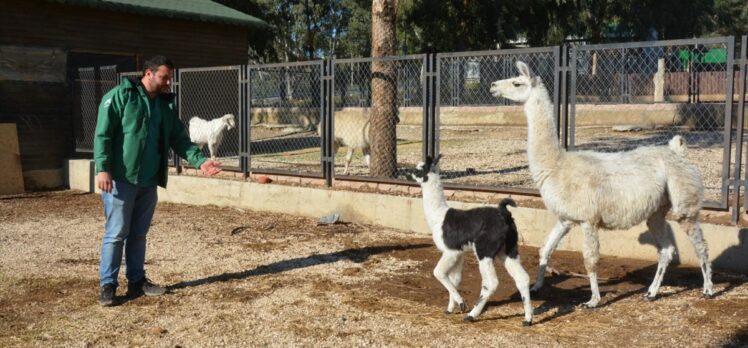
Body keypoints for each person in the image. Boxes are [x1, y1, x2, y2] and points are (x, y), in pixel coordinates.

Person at [93, 55, 221, 306]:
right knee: (116, 233)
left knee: (139, 234)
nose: (168, 83)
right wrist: (103, 168)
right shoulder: (120, 96)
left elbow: (180, 139)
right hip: (121, 179)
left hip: (148, 180)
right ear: (148, 74)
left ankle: (137, 281)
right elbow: (103, 134)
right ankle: (108, 285)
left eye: (170, 77)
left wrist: (200, 161)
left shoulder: (164, 105)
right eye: (164, 77)